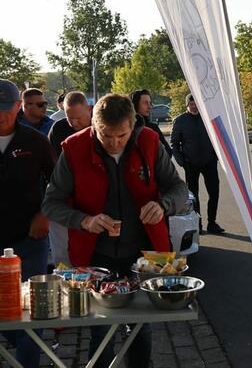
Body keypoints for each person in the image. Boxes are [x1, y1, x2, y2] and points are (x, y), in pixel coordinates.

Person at [42, 93, 188, 368]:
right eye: (105, 135)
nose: (114, 143)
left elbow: (178, 188)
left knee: (141, 326)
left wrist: (163, 205)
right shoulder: (73, 149)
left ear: (132, 125)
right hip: (96, 253)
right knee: (99, 326)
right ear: (92, 126)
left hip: (144, 253)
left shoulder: (149, 143)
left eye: (121, 135)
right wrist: (84, 220)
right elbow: (51, 204)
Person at [0, 79, 56, 368]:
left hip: (29, 238)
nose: (0, 115)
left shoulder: (34, 141)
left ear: (16, 107)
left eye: (5, 108)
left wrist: (44, 214)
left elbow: (58, 182)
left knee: (32, 309)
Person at [47, 91, 93, 266]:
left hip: (92, 199)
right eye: (69, 117)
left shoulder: (101, 127)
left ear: (89, 110)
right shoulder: (59, 129)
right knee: (63, 253)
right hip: (64, 198)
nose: (74, 123)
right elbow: (50, 165)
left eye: (78, 118)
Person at [171, 93, 225, 234]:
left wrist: (216, 157)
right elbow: (174, 144)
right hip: (191, 164)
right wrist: (182, 162)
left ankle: (212, 223)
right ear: (187, 105)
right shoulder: (180, 121)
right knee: (193, 196)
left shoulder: (208, 119)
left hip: (209, 162)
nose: (194, 107)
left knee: (214, 193)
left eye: (196, 104)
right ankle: (198, 225)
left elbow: (218, 138)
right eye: (191, 104)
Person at [130, 89, 172, 157]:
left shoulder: (153, 127)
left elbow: (168, 152)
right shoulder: (126, 128)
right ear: (135, 105)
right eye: (145, 103)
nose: (149, 107)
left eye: (150, 103)